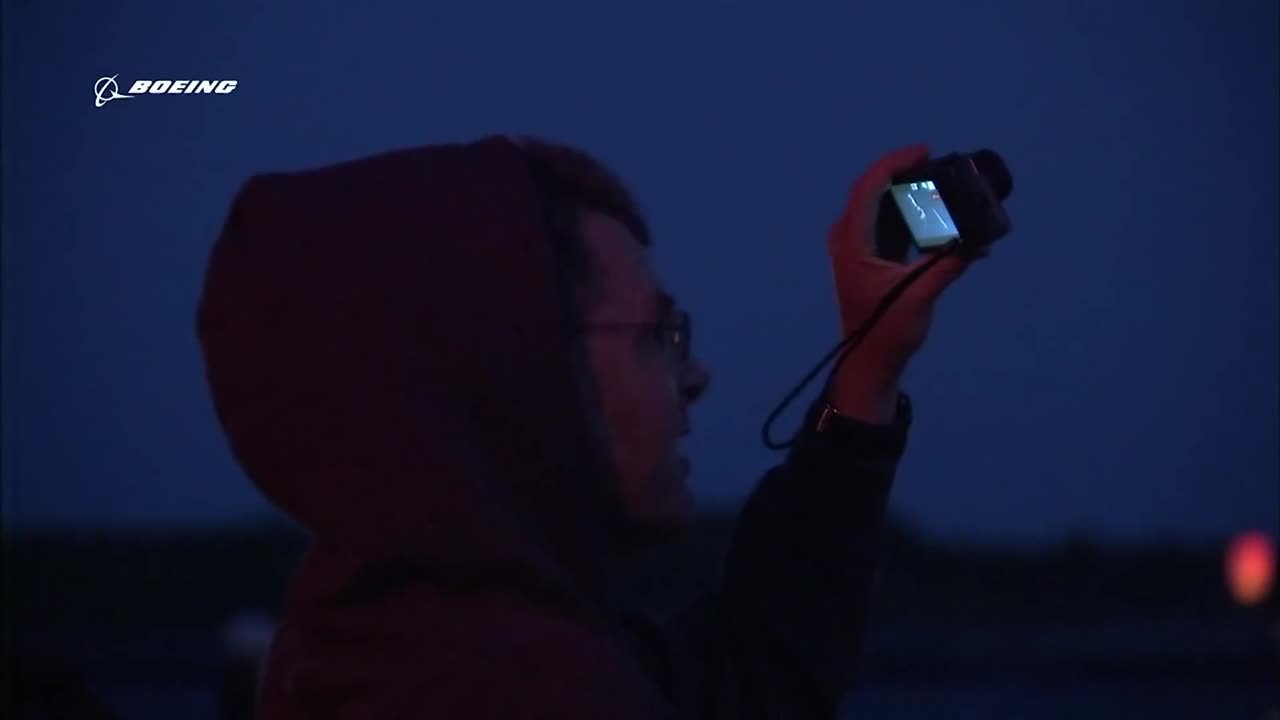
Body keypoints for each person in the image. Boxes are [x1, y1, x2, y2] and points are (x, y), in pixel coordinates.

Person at [196, 135, 981, 718]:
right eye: (657, 334)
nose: (697, 375)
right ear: (514, 370)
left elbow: (750, 673)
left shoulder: (385, 643)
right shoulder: (527, 691)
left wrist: (868, 366)